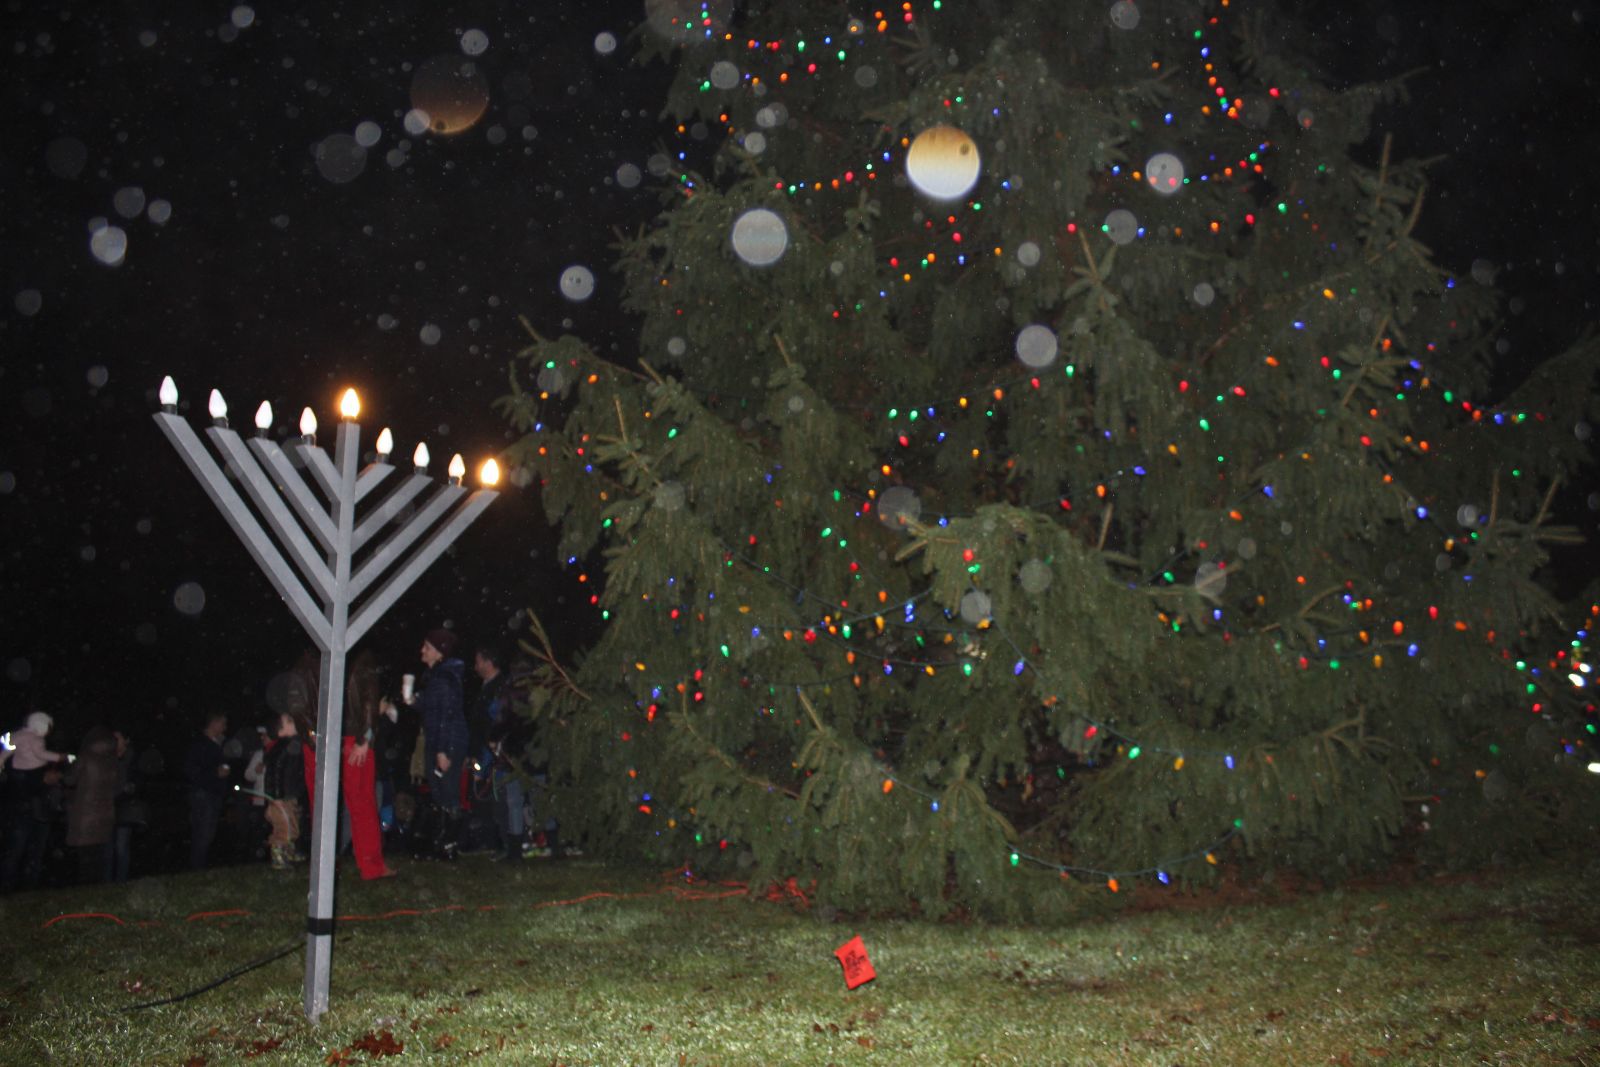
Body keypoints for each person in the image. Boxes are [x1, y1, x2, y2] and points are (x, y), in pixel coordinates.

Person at [408, 627, 468, 860]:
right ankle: (441, 843)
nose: (422, 650)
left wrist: (444, 751)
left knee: (448, 793)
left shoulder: (444, 679)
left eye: (428, 647)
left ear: (439, 653)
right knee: (440, 792)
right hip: (439, 741)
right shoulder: (435, 677)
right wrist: (414, 701)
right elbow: (432, 709)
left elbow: (446, 715)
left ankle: (449, 845)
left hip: (448, 742)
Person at [341, 651, 396, 879]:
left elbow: (366, 705)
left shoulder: (356, 667)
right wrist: (365, 738)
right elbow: (368, 705)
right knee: (362, 804)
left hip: (355, 740)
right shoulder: (365, 667)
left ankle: (371, 864)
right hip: (357, 742)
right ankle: (370, 864)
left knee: (361, 804)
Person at [1, 711, 69, 893]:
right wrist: (60, 758)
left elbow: (6, 753)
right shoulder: (35, 745)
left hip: (31, 807)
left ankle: (22, 887)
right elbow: (41, 757)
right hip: (26, 807)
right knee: (24, 848)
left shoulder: (17, 740)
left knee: (25, 849)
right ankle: (14, 886)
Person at [65, 725, 119, 884]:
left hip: (85, 812)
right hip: (105, 813)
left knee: (85, 857)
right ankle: (97, 888)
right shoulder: (112, 760)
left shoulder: (86, 757)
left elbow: (70, 779)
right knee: (98, 855)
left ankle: (85, 889)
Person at [183, 712, 231, 870]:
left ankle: (199, 868)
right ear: (214, 723)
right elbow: (191, 771)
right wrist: (214, 773)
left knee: (208, 834)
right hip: (203, 795)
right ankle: (196, 870)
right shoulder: (199, 744)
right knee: (202, 834)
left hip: (214, 794)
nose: (225, 727)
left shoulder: (219, 744)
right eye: (223, 723)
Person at [262, 711, 305, 870]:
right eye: (289, 720)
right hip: (280, 797)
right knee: (283, 826)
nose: (294, 721)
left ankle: (288, 851)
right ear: (280, 731)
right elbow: (276, 772)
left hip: (290, 795)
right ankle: (278, 853)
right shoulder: (283, 747)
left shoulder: (295, 743)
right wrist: (276, 796)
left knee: (293, 823)